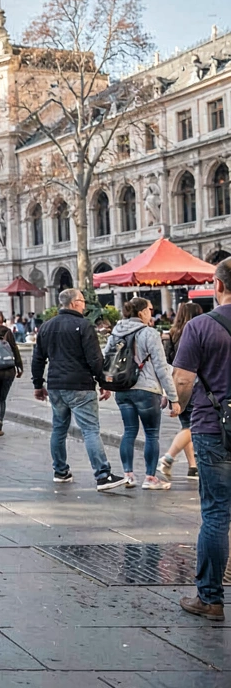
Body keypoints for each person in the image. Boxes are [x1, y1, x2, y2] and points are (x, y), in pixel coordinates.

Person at [171, 258, 231, 621]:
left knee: (216, 514)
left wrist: (183, 407)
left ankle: (210, 599)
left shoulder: (201, 326)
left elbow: (182, 379)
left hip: (213, 427)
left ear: (218, 285)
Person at [31, 288, 124, 491]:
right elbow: (94, 359)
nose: (84, 305)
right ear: (74, 303)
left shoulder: (47, 326)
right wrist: (104, 383)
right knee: (90, 430)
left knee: (59, 429)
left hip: (56, 385)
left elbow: (38, 358)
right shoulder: (83, 325)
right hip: (80, 385)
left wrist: (38, 384)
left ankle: (60, 471)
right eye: (82, 301)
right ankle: (103, 475)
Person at [106, 297, 180, 490]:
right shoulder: (150, 333)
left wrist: (105, 385)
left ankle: (128, 475)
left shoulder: (116, 332)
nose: (152, 312)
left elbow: (106, 359)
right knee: (151, 434)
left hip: (122, 389)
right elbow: (161, 368)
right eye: (150, 309)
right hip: (146, 389)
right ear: (141, 313)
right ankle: (150, 478)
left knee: (129, 431)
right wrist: (173, 397)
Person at [160, 302, 205, 481]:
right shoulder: (198, 332)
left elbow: (167, 364)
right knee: (193, 426)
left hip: (176, 384)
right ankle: (168, 457)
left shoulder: (171, 335)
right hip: (195, 384)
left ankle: (193, 467)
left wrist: (167, 393)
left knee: (186, 425)